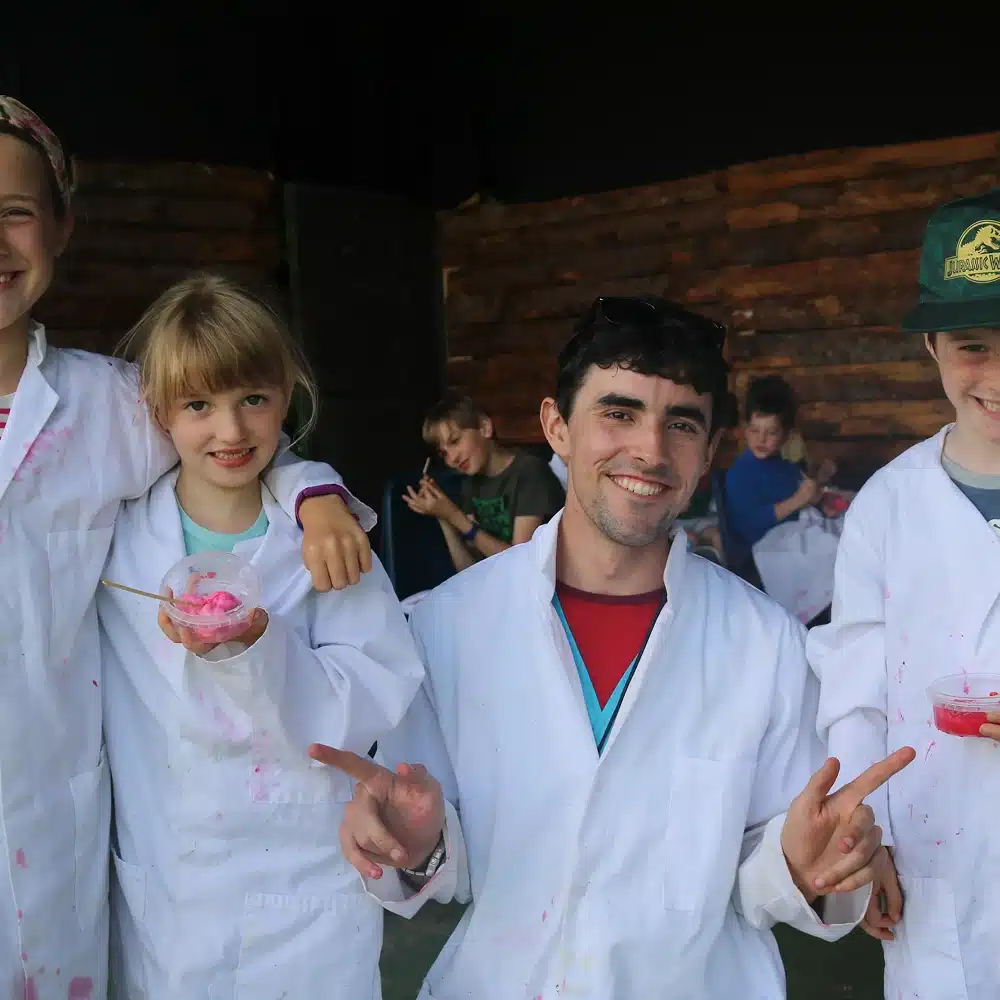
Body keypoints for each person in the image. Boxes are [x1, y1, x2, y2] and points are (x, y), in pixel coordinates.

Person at [312, 295, 915, 1000]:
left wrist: (799, 862)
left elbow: (769, 867)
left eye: (681, 424)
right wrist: (416, 843)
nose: (651, 451)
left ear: (708, 454)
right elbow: (444, 851)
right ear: (557, 428)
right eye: (619, 413)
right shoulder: (452, 624)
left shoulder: (766, 644)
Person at [0, 97, 370, 997]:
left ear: (60, 227)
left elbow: (236, 439)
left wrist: (316, 494)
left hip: (38, 828)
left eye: (13, 213)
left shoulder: (107, 410)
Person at [97, 275, 426, 998]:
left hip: (302, 880)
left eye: (254, 398)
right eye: (198, 405)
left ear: (288, 392)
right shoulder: (119, 541)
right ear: (158, 411)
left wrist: (258, 649)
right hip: (174, 882)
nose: (231, 430)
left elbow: (375, 693)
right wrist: (315, 487)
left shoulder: (327, 543)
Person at [808, 189, 1000, 998]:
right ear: (931, 346)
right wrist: (866, 828)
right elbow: (856, 676)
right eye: (972, 345)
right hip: (931, 855)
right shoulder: (888, 504)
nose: (996, 376)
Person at [725, 375, 843, 624]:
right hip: (762, 551)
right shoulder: (741, 473)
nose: (761, 439)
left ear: (786, 435)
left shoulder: (784, 468)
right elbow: (748, 525)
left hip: (792, 536)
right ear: (745, 428)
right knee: (833, 553)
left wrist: (818, 491)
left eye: (771, 432)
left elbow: (802, 498)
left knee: (842, 536)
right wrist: (800, 500)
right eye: (755, 430)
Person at [403, 392, 565, 572]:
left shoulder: (530, 472)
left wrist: (455, 516)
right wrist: (443, 517)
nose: (452, 458)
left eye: (455, 441)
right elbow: (468, 570)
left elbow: (521, 565)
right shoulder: (471, 485)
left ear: (485, 427)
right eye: (444, 453)